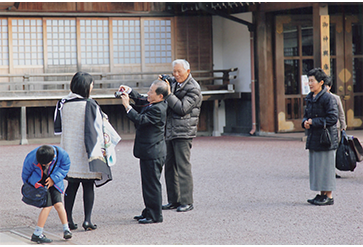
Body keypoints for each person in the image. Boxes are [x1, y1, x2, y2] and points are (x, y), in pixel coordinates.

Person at [54, 72, 114, 231]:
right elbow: (100, 126)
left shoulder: (63, 103)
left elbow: (58, 129)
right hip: (88, 151)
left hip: (69, 150)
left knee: (71, 185)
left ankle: (69, 221)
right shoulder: (91, 104)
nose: (92, 87)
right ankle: (87, 220)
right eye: (91, 84)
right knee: (88, 186)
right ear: (86, 87)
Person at [118, 80, 169, 224]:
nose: (148, 93)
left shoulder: (158, 109)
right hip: (150, 151)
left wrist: (127, 106)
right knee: (148, 184)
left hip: (153, 152)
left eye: (151, 92)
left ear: (160, 96)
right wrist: (129, 91)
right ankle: (149, 211)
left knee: (152, 185)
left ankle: (155, 215)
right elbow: (142, 99)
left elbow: (141, 119)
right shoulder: (155, 103)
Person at [161, 59, 202, 212]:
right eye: (174, 72)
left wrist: (168, 94)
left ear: (188, 72)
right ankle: (173, 200)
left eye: (179, 72)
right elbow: (171, 80)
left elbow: (182, 108)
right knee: (169, 167)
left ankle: (187, 201)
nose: (176, 75)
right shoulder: (176, 82)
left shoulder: (193, 88)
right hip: (171, 130)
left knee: (183, 167)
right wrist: (166, 79)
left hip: (184, 132)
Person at [302, 68, 339, 206]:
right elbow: (306, 114)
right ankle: (321, 194)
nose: (309, 84)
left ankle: (328, 196)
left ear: (321, 82)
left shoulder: (328, 98)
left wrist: (313, 122)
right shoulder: (310, 97)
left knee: (326, 167)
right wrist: (304, 122)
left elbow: (333, 118)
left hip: (326, 138)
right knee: (317, 166)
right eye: (308, 81)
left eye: (312, 81)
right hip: (315, 137)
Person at [21, 145, 72, 243]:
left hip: (55, 182)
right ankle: (37, 233)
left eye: (46, 164)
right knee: (47, 206)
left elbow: (65, 167)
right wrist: (29, 186)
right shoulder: (32, 156)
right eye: (42, 164)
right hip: (40, 183)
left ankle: (66, 229)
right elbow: (26, 173)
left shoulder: (62, 154)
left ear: (53, 158)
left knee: (58, 204)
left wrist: (54, 178)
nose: (44, 165)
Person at [323, 76, 347, 178]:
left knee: (334, 149)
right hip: (323, 128)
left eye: (327, 86)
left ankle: (332, 171)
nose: (325, 88)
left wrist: (343, 125)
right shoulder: (320, 98)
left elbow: (341, 113)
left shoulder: (336, 98)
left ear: (330, 87)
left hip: (335, 127)